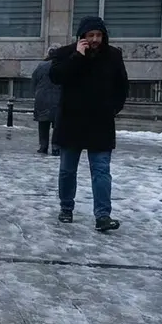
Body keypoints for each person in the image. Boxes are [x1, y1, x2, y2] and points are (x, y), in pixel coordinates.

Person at [50, 17, 128, 232]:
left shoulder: (113, 56)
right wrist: (77, 56)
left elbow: (122, 86)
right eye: (90, 35)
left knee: (101, 171)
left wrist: (112, 109)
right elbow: (56, 77)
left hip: (100, 124)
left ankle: (103, 216)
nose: (95, 40)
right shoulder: (65, 53)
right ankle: (66, 208)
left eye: (99, 35)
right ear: (82, 36)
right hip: (71, 123)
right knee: (67, 170)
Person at [31, 45, 62, 156]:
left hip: (42, 99)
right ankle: (56, 147)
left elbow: (34, 80)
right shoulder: (62, 66)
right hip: (58, 99)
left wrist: (37, 92)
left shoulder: (41, 66)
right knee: (58, 125)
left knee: (43, 124)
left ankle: (43, 146)